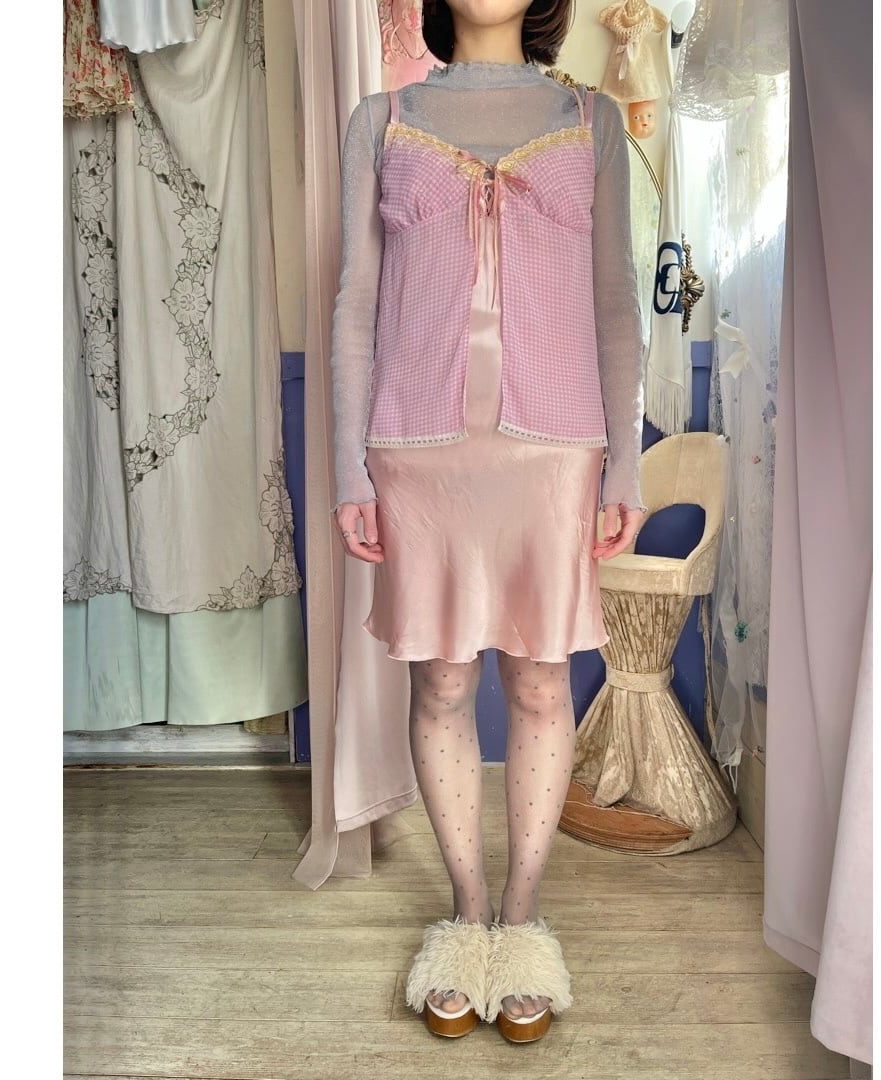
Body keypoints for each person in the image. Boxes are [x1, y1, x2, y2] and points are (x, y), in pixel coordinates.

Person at [330, 0, 646, 1044]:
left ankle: (524, 918)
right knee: (442, 681)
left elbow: (614, 302)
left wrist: (623, 463)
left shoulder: (592, 120)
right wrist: (348, 466)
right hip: (417, 448)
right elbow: (355, 305)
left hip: (554, 446)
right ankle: (466, 915)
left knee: (543, 680)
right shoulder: (381, 120)